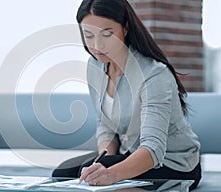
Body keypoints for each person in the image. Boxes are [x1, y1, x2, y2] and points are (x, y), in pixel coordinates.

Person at [52, 0, 201, 190]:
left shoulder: (154, 74)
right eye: (88, 35)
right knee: (60, 175)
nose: (97, 45)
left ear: (126, 28)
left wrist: (110, 173)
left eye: (107, 34)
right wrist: (103, 160)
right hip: (129, 154)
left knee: (93, 174)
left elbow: (153, 148)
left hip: (173, 163)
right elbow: (105, 124)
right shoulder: (95, 66)